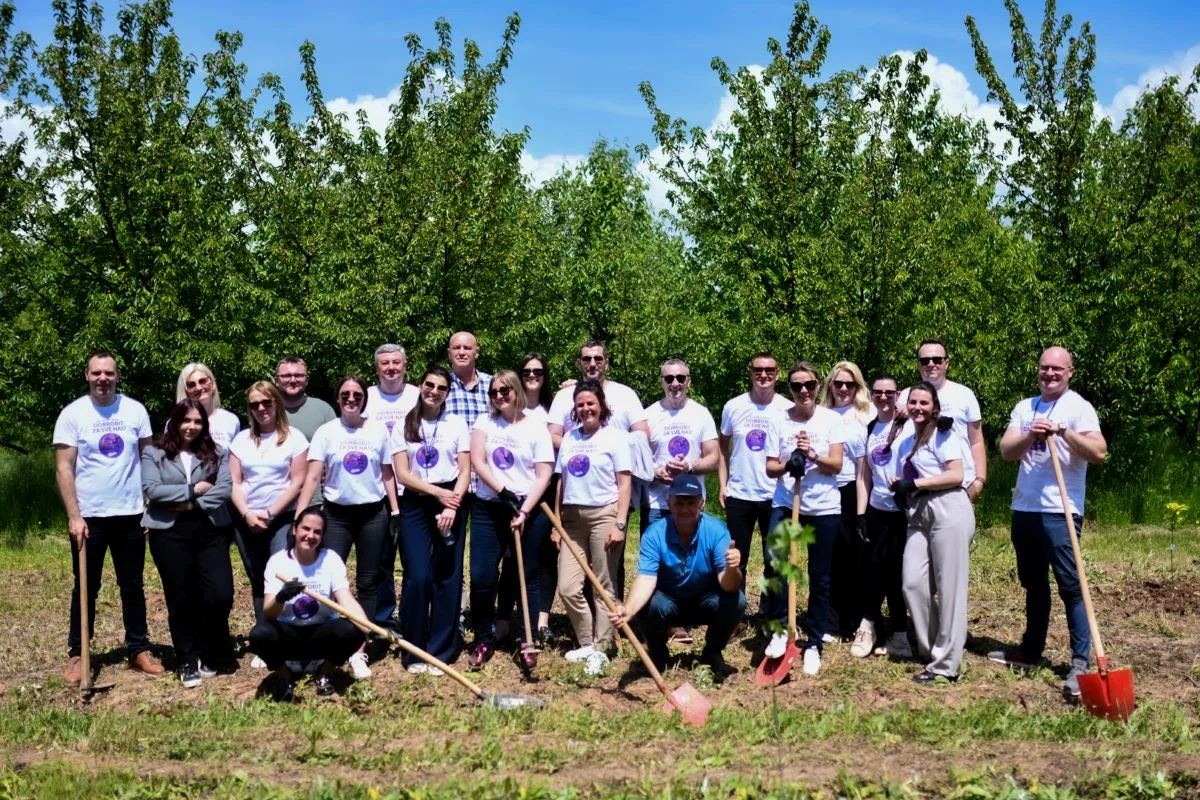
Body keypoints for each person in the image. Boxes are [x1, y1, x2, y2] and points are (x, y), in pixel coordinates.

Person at [991, 347, 1107, 699]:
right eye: (1045, 368)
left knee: (1072, 586)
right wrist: (1032, 435)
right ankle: (1031, 650)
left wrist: (1062, 433)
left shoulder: (1079, 408)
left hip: (1062, 509)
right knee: (1033, 583)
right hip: (1025, 508)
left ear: (1070, 371)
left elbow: (1099, 452)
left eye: (1057, 369)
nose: (1050, 374)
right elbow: (1007, 451)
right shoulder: (1025, 407)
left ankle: (1080, 663)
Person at [55, 352, 163, 682]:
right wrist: (74, 516)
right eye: (96, 373)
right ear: (87, 375)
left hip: (130, 514)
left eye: (109, 373)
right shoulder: (73, 415)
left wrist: (149, 504)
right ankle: (78, 654)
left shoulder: (134, 411)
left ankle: (138, 649)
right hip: (89, 518)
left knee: (132, 585)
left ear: (117, 375)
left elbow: (149, 457)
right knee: (86, 587)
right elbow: (63, 467)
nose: (103, 378)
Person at [296, 375, 399, 680]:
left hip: (372, 515)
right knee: (327, 580)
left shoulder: (378, 430)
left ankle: (358, 649)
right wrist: (300, 515)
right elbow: (313, 477)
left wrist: (394, 511)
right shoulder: (326, 432)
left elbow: (387, 473)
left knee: (368, 582)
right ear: (337, 398)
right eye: (345, 395)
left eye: (356, 395)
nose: (351, 399)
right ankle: (322, 645)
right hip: (337, 515)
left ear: (364, 399)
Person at [610, 475, 745, 676]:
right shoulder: (655, 533)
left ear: (701, 503)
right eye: (679, 503)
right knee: (647, 604)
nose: (684, 509)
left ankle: (712, 653)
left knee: (737, 600)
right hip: (668, 601)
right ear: (669, 503)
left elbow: (728, 586)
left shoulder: (717, 531)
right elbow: (646, 579)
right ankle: (658, 653)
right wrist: (628, 610)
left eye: (691, 502)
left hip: (705, 600)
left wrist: (733, 568)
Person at [141, 399, 235, 687]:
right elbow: (152, 490)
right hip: (169, 533)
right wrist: (192, 489)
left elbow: (224, 488)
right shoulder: (154, 453)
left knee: (219, 594)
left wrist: (190, 505)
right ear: (175, 422)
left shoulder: (216, 453)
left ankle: (209, 649)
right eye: (186, 420)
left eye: (198, 421)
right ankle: (187, 657)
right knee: (181, 597)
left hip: (209, 529)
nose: (192, 426)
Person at [762, 361, 845, 677]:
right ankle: (782, 630)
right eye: (797, 386)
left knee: (819, 575)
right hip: (786, 502)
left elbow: (836, 464)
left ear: (817, 385)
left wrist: (810, 455)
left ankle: (813, 644)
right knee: (776, 561)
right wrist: (787, 465)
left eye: (809, 384)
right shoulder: (778, 421)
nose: (804, 391)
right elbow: (770, 467)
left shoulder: (830, 420)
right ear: (790, 389)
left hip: (823, 508)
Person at [548, 340, 649, 596]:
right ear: (579, 363)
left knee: (609, 559)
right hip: (576, 490)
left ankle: (611, 622)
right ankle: (589, 625)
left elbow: (641, 434)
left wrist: (609, 450)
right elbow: (552, 434)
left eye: (598, 359)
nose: (592, 363)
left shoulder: (625, 394)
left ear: (606, 362)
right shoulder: (564, 396)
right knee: (578, 566)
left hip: (613, 488)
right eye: (586, 359)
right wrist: (583, 449)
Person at [467, 370, 553, 668]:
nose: (500, 397)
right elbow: (477, 460)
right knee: (481, 576)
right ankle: (483, 637)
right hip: (489, 507)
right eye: (494, 392)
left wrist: (525, 510)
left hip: (527, 507)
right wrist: (502, 492)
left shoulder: (536, 427)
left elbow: (543, 474)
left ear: (516, 391)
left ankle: (527, 641)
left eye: (505, 391)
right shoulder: (484, 422)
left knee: (525, 575)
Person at [891, 381, 975, 683]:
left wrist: (915, 484)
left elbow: (957, 474)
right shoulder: (905, 439)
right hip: (918, 513)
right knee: (912, 583)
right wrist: (900, 486)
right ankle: (932, 650)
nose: (918, 408)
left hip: (948, 508)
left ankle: (947, 666)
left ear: (935, 407)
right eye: (913, 402)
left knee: (950, 588)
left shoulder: (944, 433)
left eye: (924, 403)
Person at [391, 368, 470, 673]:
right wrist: (437, 494)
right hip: (417, 503)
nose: (434, 391)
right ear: (420, 387)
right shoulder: (405, 424)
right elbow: (403, 474)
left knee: (447, 577)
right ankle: (414, 649)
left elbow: (464, 470)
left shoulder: (456, 424)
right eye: (429, 385)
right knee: (418, 575)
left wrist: (451, 505)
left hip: (451, 502)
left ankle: (441, 651)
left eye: (441, 387)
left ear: (448, 393)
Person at [554, 380, 632, 670]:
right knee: (568, 586)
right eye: (580, 404)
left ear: (601, 406)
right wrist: (557, 524)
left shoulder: (615, 438)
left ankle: (602, 647)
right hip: (572, 519)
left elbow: (625, 484)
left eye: (591, 403)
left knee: (602, 584)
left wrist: (620, 524)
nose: (586, 408)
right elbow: (561, 482)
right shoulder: (571, 438)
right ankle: (587, 642)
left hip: (604, 515)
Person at [252, 508, 369, 700]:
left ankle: (325, 671)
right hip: (288, 634)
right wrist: (281, 597)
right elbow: (269, 614)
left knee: (352, 631)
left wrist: (367, 628)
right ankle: (284, 675)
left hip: (322, 633)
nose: (310, 535)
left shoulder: (330, 560)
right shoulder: (278, 562)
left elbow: (345, 598)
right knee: (260, 634)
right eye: (305, 529)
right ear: (294, 530)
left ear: (322, 536)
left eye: (317, 532)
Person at [228, 381, 309, 655]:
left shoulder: (295, 438)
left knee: (280, 576)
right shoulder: (241, 440)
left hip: (281, 517)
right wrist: (247, 513)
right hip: (246, 518)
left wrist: (270, 512)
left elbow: (297, 481)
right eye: (254, 404)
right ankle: (265, 639)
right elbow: (235, 483)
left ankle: (289, 635)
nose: (261, 408)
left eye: (266, 402)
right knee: (257, 578)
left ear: (276, 403)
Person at [718, 352, 792, 597]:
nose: (763, 375)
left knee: (775, 558)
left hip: (776, 494)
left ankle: (770, 611)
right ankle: (735, 611)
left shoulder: (786, 408)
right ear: (750, 372)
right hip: (740, 492)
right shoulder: (734, 406)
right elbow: (722, 447)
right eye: (758, 370)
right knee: (737, 557)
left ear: (777, 374)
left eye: (769, 370)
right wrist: (722, 484)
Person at [856, 374, 912, 659]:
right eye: (878, 392)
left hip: (904, 511)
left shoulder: (908, 424)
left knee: (897, 573)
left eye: (889, 392)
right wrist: (861, 513)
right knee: (873, 569)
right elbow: (864, 476)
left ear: (897, 394)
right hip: (877, 509)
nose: (883, 397)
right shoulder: (869, 428)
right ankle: (869, 626)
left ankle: (901, 634)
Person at [363, 343, 418, 630]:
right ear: (377, 368)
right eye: (385, 363)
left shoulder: (417, 396)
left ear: (405, 365)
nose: (391, 368)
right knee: (382, 559)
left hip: (414, 490)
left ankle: (411, 614)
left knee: (413, 559)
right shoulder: (367, 398)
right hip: (378, 490)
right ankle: (383, 618)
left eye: (396, 362)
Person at [820, 361, 874, 646]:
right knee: (828, 557)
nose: (843, 389)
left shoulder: (867, 414)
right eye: (838, 383)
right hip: (825, 491)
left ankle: (856, 620)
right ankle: (830, 620)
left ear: (858, 387)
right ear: (830, 385)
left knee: (856, 556)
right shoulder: (821, 414)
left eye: (849, 384)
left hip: (857, 491)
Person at [899, 340, 987, 503]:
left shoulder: (964, 394)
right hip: (916, 489)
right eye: (925, 360)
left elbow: (976, 441)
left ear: (946, 363)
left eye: (937, 360)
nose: (931, 364)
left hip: (959, 486)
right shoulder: (904, 397)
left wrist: (979, 480)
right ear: (918, 365)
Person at [643, 359, 719, 529]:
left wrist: (689, 468)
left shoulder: (701, 414)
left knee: (692, 554)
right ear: (661, 381)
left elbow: (714, 457)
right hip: (657, 504)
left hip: (692, 502)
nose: (675, 383)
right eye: (669, 378)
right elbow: (636, 461)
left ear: (688, 381)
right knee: (655, 555)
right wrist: (656, 473)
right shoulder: (647, 416)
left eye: (680, 378)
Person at [518, 353, 558, 644]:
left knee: (545, 556)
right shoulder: (510, 405)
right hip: (516, 490)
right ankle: (513, 618)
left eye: (538, 371)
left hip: (548, 489)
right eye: (527, 371)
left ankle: (542, 619)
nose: (532, 376)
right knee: (515, 557)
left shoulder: (554, 408)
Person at [176, 363, 241, 450]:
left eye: (202, 381)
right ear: (186, 391)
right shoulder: (175, 422)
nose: (198, 388)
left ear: (213, 384)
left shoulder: (230, 420)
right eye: (191, 385)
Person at [275, 356, 336, 441]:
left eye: (298, 375)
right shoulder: (265, 410)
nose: (293, 380)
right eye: (286, 376)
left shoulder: (323, 410)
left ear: (307, 380)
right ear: (276, 381)